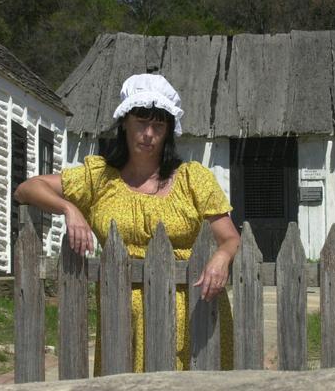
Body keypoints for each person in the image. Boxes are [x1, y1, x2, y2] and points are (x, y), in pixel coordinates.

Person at [14, 73, 240, 372]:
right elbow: (27, 188)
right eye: (141, 123)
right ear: (124, 123)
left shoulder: (192, 179)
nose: (148, 134)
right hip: (122, 312)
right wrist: (69, 208)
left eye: (158, 125)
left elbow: (230, 238)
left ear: (168, 131)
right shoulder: (99, 178)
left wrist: (222, 257)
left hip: (192, 312)